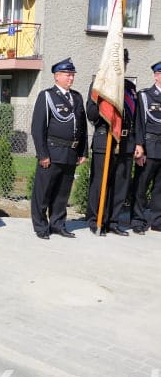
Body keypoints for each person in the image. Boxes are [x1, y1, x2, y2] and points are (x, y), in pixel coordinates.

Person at [30, 58, 88, 240]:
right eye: (67, 74)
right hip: (52, 152)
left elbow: (83, 127)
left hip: (70, 153)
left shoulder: (77, 97)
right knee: (44, 191)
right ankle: (41, 226)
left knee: (63, 193)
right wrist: (42, 154)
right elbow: (37, 128)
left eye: (72, 75)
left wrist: (83, 152)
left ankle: (58, 224)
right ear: (57, 76)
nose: (71, 78)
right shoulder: (47, 96)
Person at [86, 49, 136, 236]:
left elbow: (136, 117)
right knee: (100, 184)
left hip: (126, 142)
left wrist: (137, 143)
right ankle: (95, 220)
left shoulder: (130, 87)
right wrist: (103, 100)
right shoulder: (99, 85)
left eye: (124, 63)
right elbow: (91, 114)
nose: (121, 67)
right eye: (118, 63)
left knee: (120, 185)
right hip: (104, 140)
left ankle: (113, 221)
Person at [130, 60, 161, 234]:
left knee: (160, 188)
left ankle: (157, 221)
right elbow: (139, 123)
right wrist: (139, 145)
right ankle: (138, 221)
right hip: (149, 147)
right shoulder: (145, 95)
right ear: (156, 76)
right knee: (141, 186)